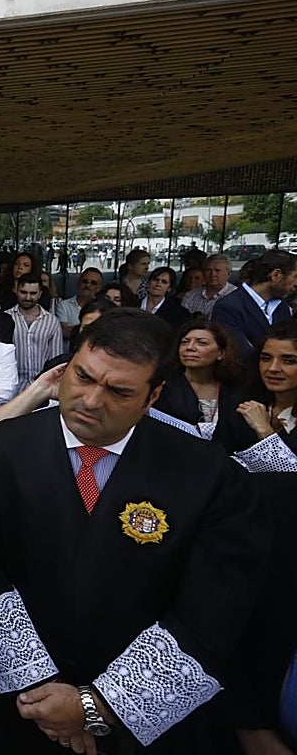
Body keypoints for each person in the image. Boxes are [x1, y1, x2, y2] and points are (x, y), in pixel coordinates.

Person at [0, 309, 270, 755]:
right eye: (83, 377)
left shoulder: (210, 476)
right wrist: (44, 694)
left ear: (153, 396)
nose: (91, 401)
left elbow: (213, 609)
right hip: (15, 702)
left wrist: (101, 705)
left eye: (118, 391)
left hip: (141, 720)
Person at [228, 322, 297, 755]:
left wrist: (265, 435)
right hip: (249, 548)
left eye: (288, 360)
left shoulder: (258, 418)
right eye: (267, 357)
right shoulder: (247, 405)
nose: (274, 368)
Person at [153, 320, 256, 453]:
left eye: (202, 343)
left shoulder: (234, 388)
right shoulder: (163, 387)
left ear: (221, 353)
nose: (190, 347)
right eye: (184, 342)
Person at [212, 248, 297, 358]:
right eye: (295, 277)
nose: (296, 283)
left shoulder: (282, 308)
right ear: (276, 275)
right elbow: (239, 354)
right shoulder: (228, 307)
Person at [7, 275, 63, 392]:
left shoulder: (51, 321)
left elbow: (56, 361)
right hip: (11, 388)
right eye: (23, 292)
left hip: (42, 388)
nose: (28, 297)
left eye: (33, 293)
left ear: (40, 294)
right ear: (16, 291)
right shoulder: (5, 318)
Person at [55, 268, 103, 343]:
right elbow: (64, 331)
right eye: (85, 281)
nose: (88, 285)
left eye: (93, 283)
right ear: (78, 283)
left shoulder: (103, 308)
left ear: (99, 288)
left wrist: (75, 329)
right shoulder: (64, 305)